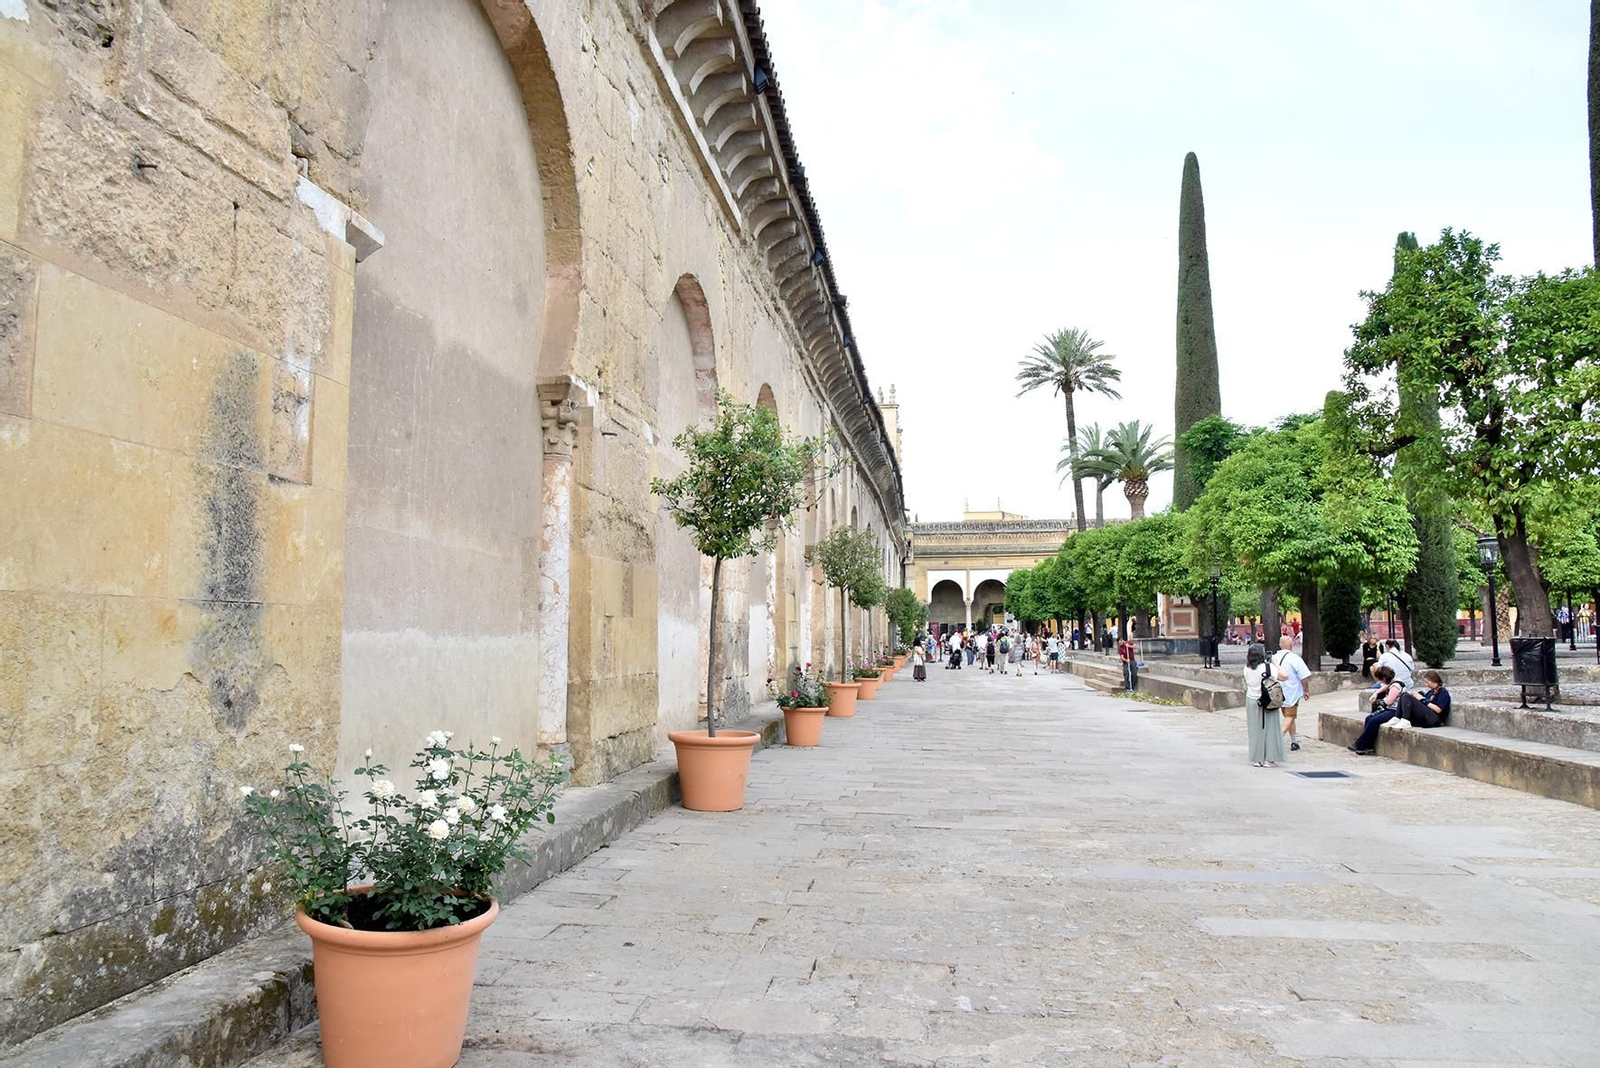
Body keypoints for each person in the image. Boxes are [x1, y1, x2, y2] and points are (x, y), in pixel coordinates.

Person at [1243, 642, 1287, 767]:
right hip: (1268, 700)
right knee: (1271, 729)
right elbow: (1284, 676)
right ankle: (1269, 758)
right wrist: (1276, 664)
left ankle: (1257, 759)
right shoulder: (1268, 667)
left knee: (1255, 730)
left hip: (1252, 699)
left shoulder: (1246, 668)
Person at [1349, 665, 1404, 754]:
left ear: (1384, 678)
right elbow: (1386, 686)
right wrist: (1376, 693)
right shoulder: (1393, 682)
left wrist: (1381, 701)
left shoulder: (1396, 686)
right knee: (1369, 718)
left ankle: (1360, 744)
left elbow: (1389, 701)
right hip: (1390, 709)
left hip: (1395, 711)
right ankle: (1368, 745)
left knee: (1374, 721)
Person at [1272, 634, 1311, 752]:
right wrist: (1306, 690)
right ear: (1291, 645)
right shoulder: (1295, 658)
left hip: (1276, 692)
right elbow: (1303, 677)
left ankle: (1294, 741)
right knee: (1290, 716)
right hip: (1291, 692)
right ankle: (1278, 738)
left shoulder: (1273, 658)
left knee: (1288, 717)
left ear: (1280, 645)